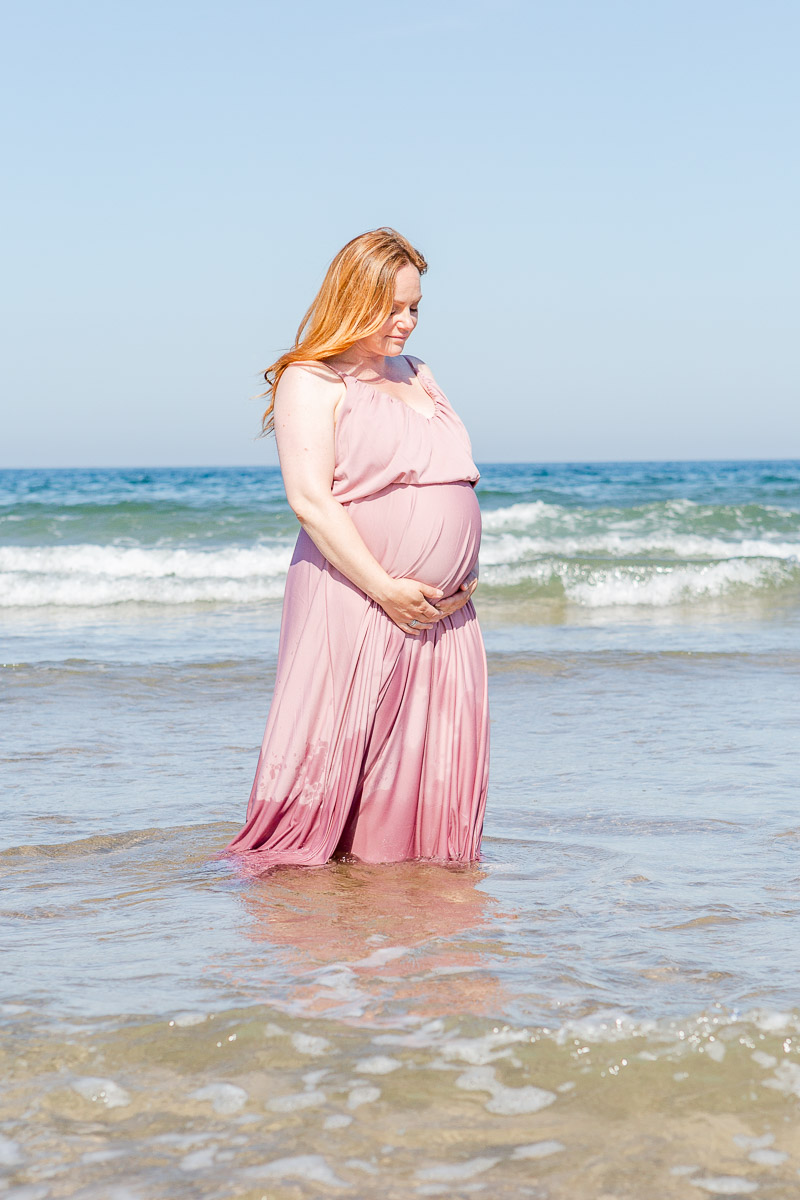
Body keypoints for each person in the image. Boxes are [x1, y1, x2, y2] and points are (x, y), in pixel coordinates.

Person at [223, 227, 489, 872]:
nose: (407, 323)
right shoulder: (310, 380)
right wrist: (386, 586)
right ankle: (309, 914)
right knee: (337, 748)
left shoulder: (421, 374)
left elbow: (448, 477)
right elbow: (311, 500)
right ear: (352, 298)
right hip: (356, 593)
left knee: (427, 763)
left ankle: (406, 894)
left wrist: (458, 571)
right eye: (392, 308)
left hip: (440, 612)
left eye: (415, 308)